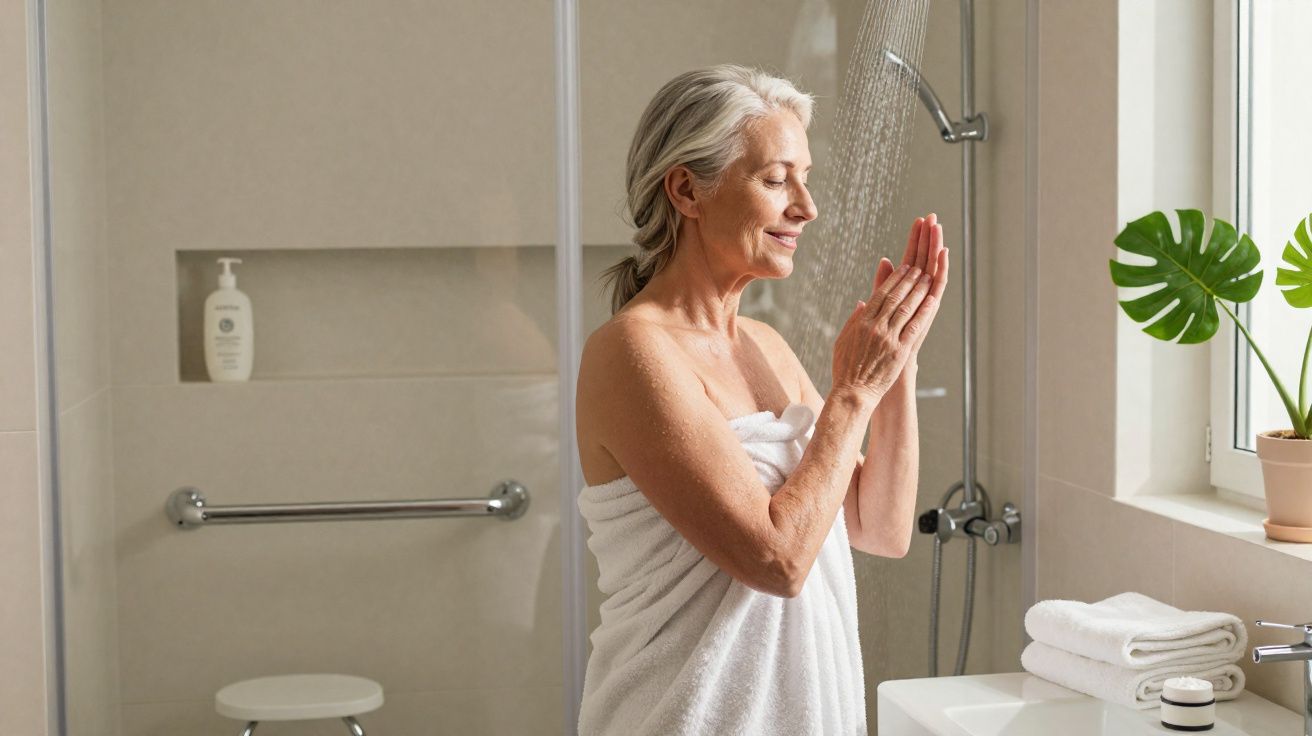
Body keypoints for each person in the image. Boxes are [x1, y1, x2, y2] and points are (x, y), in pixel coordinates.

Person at [574, 64, 949, 736]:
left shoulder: (766, 346)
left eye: (804, 178)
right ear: (687, 189)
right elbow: (777, 561)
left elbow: (880, 527)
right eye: (776, 180)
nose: (806, 207)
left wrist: (896, 365)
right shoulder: (632, 353)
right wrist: (852, 393)